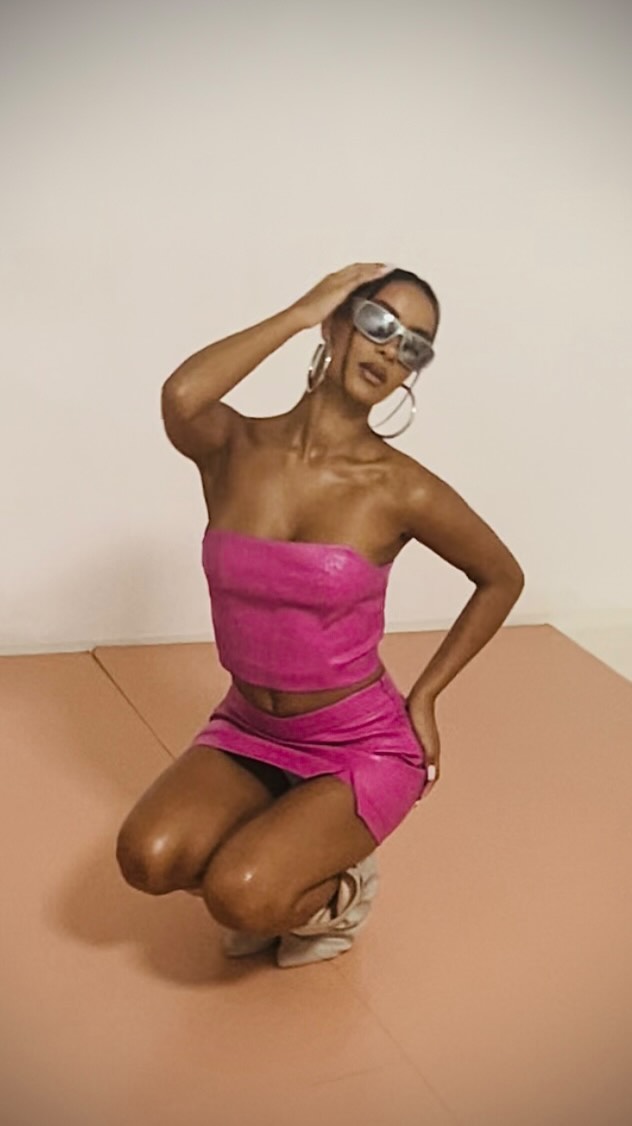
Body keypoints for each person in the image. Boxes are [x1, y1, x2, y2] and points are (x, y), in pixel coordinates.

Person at [116, 262, 524, 968]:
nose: (391, 350)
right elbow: (181, 395)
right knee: (146, 858)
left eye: (414, 347)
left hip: (360, 745)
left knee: (240, 898)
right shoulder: (234, 448)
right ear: (338, 325)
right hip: (249, 725)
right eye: (378, 324)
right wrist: (300, 311)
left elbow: (501, 578)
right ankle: (280, 836)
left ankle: (342, 892)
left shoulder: (400, 487)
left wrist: (426, 696)